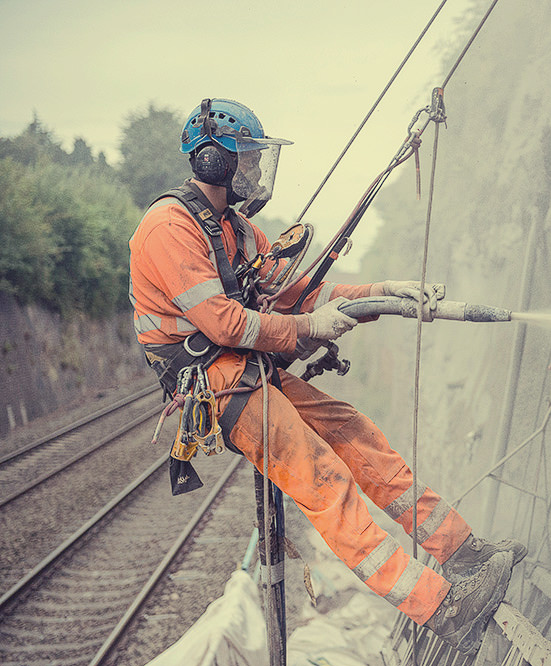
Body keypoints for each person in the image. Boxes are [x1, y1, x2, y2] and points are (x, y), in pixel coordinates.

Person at [128, 98, 525, 653]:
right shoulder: (167, 228)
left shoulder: (236, 230)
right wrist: (303, 328)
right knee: (324, 480)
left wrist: (385, 292)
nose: (254, 171)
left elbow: (300, 295)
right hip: (216, 381)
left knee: (355, 434)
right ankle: (444, 609)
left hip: (249, 369)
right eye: (246, 158)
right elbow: (222, 320)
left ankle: (464, 552)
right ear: (213, 161)